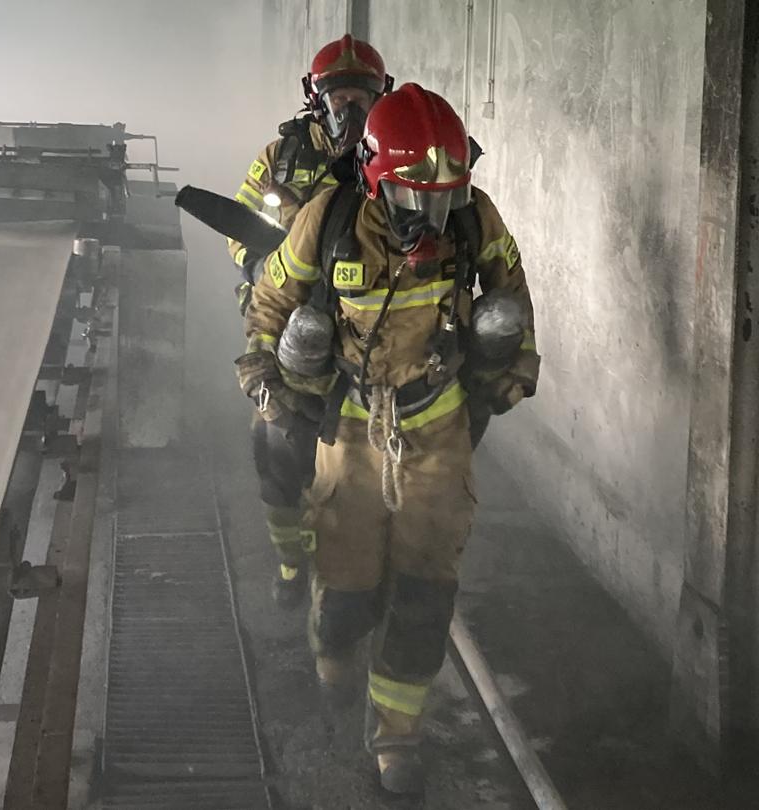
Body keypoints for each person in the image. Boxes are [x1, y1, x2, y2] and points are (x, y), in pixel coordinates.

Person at [234, 83, 540, 794]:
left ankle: (395, 736)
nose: (431, 218)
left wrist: (513, 366)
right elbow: (272, 298)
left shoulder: (473, 218)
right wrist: (264, 369)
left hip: (437, 425)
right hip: (351, 424)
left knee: (426, 590)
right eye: (411, 198)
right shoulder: (329, 220)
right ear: (374, 179)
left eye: (443, 199)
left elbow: (512, 297)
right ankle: (335, 665)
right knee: (346, 588)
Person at [230, 34, 393, 609]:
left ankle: (358, 569)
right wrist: (264, 264)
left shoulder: (392, 156)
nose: (350, 108)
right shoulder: (280, 159)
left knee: (364, 462)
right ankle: (291, 562)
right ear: (316, 98)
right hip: (287, 331)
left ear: (380, 96)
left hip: (366, 334)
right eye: (338, 96)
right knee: (278, 453)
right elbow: (238, 228)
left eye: (361, 96)